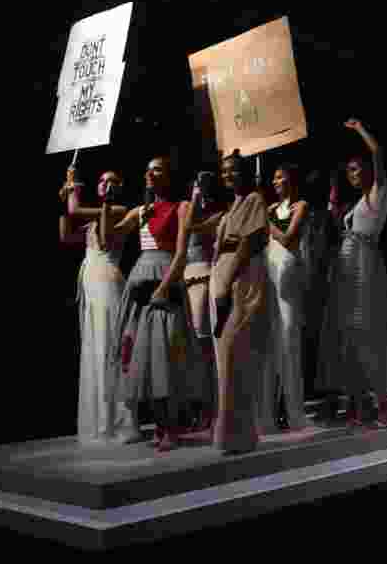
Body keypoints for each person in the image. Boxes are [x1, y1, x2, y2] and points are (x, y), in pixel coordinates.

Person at [105, 156, 202, 452]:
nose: (149, 173)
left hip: (164, 283)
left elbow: (182, 253)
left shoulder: (181, 207)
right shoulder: (141, 211)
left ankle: (172, 426)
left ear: (169, 175)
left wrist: (163, 288)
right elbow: (109, 237)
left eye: (157, 169)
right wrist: (108, 203)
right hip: (140, 288)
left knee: (166, 354)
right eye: (147, 169)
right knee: (143, 355)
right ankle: (159, 425)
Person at [316, 119, 387, 428]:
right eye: (349, 172)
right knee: (350, 337)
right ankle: (362, 403)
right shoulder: (356, 203)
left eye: (357, 169)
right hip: (346, 268)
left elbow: (378, 152)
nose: (352, 175)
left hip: (364, 266)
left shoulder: (378, 193)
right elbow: (340, 229)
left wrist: (359, 129)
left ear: (369, 170)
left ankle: (384, 402)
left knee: (367, 335)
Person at [58, 165, 137, 443]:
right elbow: (67, 235)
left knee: (109, 346)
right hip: (91, 283)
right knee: (95, 346)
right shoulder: (93, 220)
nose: (106, 184)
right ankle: (99, 419)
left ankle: (118, 420)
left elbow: (76, 210)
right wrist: (64, 200)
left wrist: (72, 187)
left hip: (107, 280)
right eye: (103, 181)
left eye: (113, 180)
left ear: (120, 187)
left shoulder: (120, 211)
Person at [208, 149, 270, 454]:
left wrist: (226, 283)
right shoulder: (231, 206)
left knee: (235, 355)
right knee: (225, 361)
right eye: (224, 171)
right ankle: (234, 436)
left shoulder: (254, 200)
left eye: (232, 169)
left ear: (244, 171)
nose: (227, 175)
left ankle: (238, 436)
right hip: (223, 279)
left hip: (241, 281)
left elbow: (249, 242)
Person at [258, 162, 310, 432]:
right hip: (270, 272)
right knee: (269, 347)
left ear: (291, 178)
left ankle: (294, 412)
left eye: (281, 176)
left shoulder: (299, 205)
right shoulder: (268, 209)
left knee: (289, 343)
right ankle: (270, 412)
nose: (276, 181)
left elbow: (289, 238)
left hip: (288, 276)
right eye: (274, 177)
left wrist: (266, 223)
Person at [182, 170, 225, 433]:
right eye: (197, 184)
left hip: (203, 274)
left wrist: (197, 204)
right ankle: (195, 409)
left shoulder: (217, 213)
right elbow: (182, 231)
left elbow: (192, 228)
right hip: (185, 276)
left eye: (205, 185)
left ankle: (211, 408)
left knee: (203, 345)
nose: (200, 188)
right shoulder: (186, 207)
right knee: (188, 348)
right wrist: (192, 202)